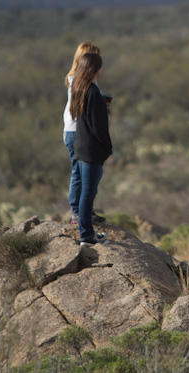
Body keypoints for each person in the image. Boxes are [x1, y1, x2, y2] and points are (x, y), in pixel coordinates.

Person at [70, 52, 113, 246]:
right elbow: (99, 128)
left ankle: (86, 232)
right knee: (88, 193)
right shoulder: (93, 93)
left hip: (80, 147)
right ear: (95, 70)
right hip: (91, 151)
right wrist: (107, 148)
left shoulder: (79, 89)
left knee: (85, 192)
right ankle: (86, 235)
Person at [63, 41, 105, 225]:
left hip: (80, 132)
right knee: (79, 174)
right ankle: (76, 213)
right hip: (77, 132)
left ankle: (84, 210)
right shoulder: (76, 80)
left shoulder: (84, 80)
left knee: (88, 174)